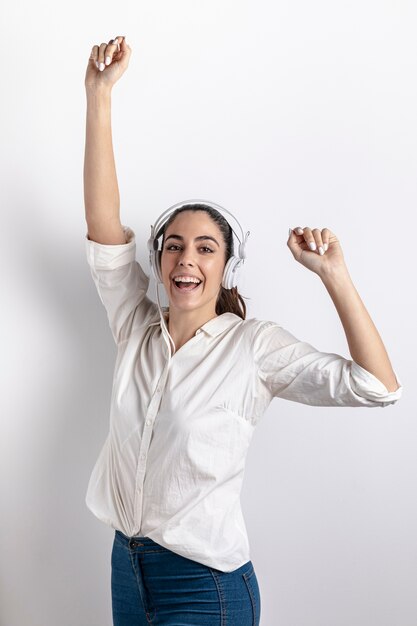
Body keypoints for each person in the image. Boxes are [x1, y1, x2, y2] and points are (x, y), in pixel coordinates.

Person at [84, 36, 403, 626]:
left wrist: (334, 274)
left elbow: (378, 386)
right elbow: (103, 226)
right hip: (127, 571)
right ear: (158, 262)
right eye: (173, 246)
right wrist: (99, 95)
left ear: (224, 267)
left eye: (205, 249)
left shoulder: (252, 347)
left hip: (205, 586)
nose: (186, 259)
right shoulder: (135, 326)